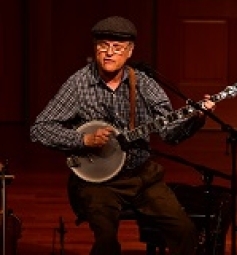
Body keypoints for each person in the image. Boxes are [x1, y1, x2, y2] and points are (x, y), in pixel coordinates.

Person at [30, 16, 216, 255]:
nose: (109, 53)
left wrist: (196, 118)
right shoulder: (79, 83)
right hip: (98, 181)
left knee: (185, 231)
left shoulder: (144, 84)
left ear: (129, 52)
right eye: (103, 46)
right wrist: (82, 140)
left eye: (117, 47)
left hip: (143, 177)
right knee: (106, 241)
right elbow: (40, 128)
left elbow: (170, 134)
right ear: (95, 49)